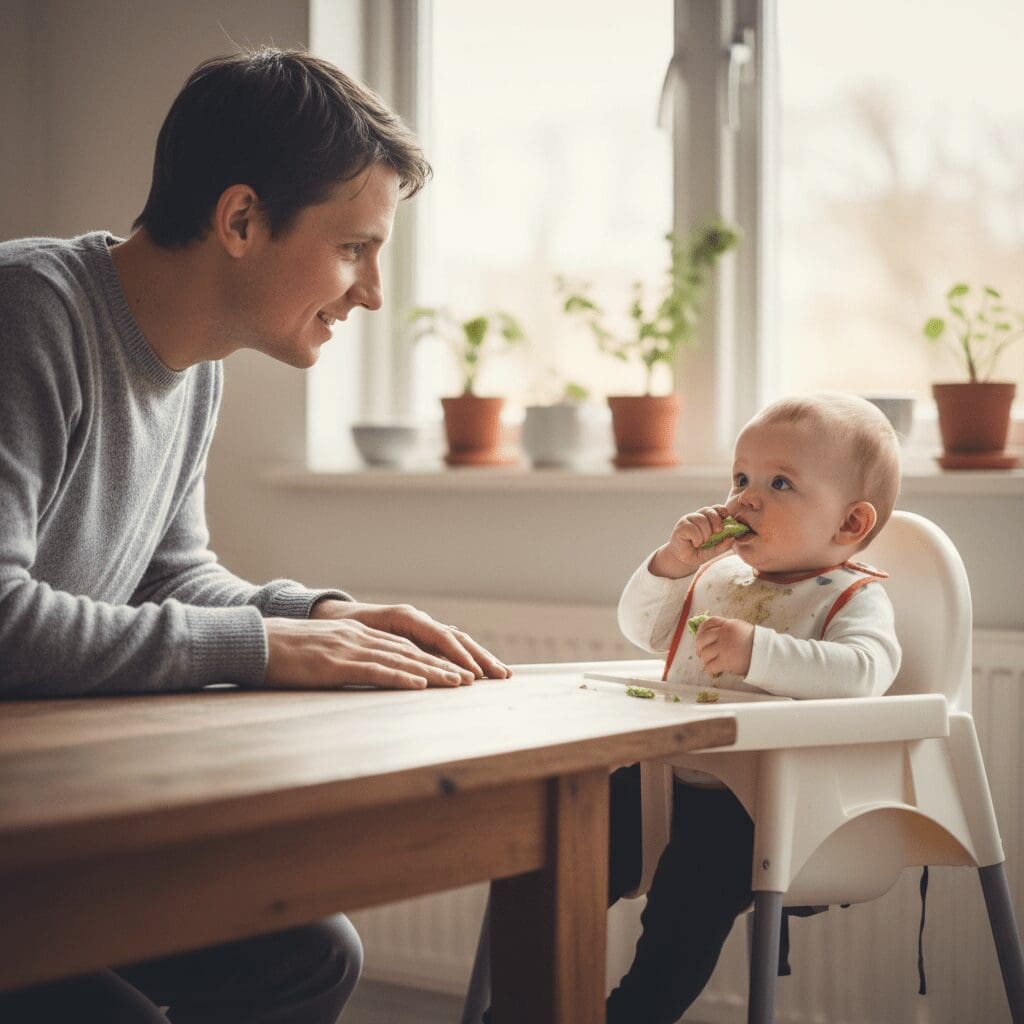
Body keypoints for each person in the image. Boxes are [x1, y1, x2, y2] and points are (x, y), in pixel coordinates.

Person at [0, 47, 509, 1023]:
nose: (370, 293)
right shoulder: (27, 315)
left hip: (36, 810)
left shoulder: (196, 366)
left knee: (311, 955)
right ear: (240, 220)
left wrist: (323, 616)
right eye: (355, 248)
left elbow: (168, 573)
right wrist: (271, 645)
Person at [605, 393, 903, 1023]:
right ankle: (537, 997)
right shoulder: (719, 579)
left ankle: (628, 1015)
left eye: (780, 483)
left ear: (849, 525)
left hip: (759, 806)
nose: (745, 498)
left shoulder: (850, 596)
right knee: (573, 842)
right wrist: (672, 565)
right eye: (740, 478)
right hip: (665, 779)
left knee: (683, 907)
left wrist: (760, 652)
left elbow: (866, 674)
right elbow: (642, 629)